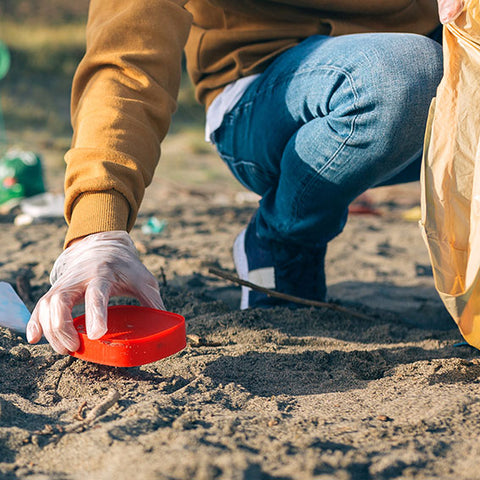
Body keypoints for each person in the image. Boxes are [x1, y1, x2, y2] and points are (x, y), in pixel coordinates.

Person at [26, 0, 464, 354]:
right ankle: (281, 242)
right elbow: (125, 60)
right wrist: (98, 227)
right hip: (264, 91)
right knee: (404, 78)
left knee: (432, 77)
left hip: (435, 71)